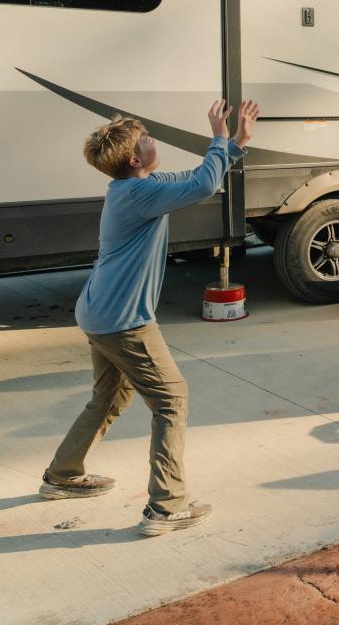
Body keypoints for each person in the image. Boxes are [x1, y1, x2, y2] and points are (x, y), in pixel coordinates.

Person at [41, 99, 259, 536]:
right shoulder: (140, 193)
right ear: (135, 158)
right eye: (148, 138)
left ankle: (62, 475)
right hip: (124, 321)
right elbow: (201, 187)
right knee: (171, 399)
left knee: (108, 397)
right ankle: (166, 505)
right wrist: (217, 137)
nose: (154, 139)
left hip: (98, 312)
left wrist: (234, 144)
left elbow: (197, 179)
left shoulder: (137, 187)